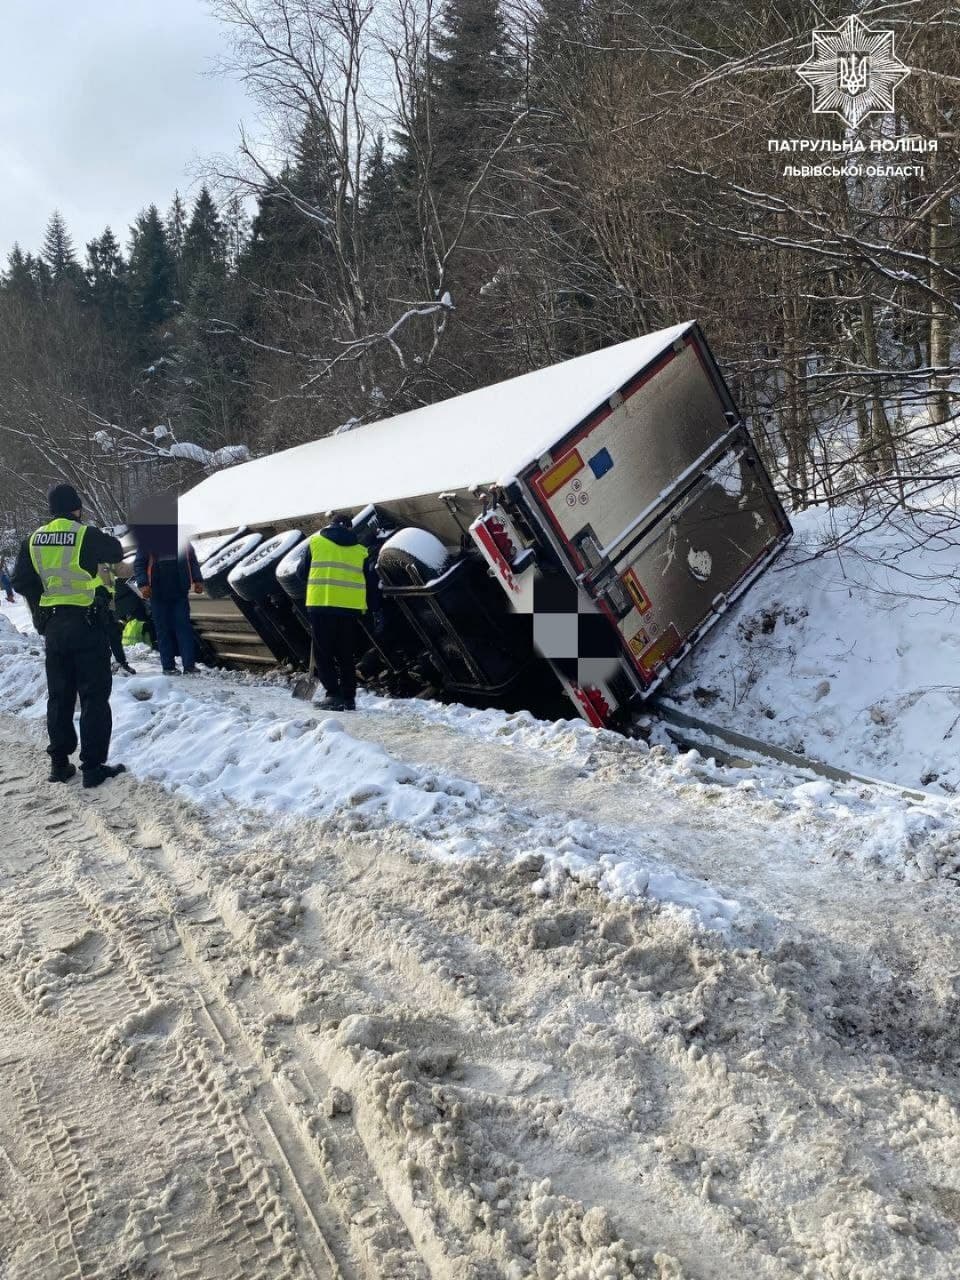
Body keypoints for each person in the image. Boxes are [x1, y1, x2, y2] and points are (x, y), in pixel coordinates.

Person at [11, 483, 127, 787]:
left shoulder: (32, 540)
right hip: (87, 624)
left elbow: (21, 580)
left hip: (55, 628)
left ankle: (59, 764)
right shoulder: (84, 534)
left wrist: (40, 611)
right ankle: (92, 767)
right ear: (76, 507)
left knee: (60, 697)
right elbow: (115, 551)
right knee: (94, 696)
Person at [306, 512, 383, 711]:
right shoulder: (361, 551)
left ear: (331, 525)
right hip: (350, 609)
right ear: (350, 528)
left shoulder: (315, 542)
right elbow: (370, 582)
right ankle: (348, 697)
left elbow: (300, 573)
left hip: (321, 605)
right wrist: (374, 609)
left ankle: (333, 694)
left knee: (324, 653)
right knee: (345, 654)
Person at [133, 538, 203, 675]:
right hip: (157, 593)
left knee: (184, 628)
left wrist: (197, 579)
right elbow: (139, 564)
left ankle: (189, 666)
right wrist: (143, 584)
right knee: (163, 630)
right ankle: (168, 667)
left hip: (179, 592)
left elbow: (192, 560)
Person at [96, 561, 136, 675]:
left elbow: (123, 570)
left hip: (107, 604)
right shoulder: (84, 553)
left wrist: (139, 563)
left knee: (113, 635)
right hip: (90, 603)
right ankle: (102, 665)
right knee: (100, 636)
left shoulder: (107, 558)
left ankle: (120, 662)